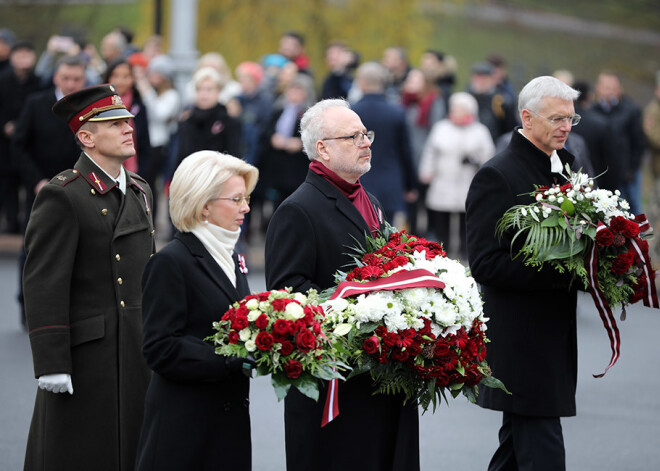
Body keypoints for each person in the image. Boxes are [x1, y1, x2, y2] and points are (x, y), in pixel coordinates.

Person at [265, 98, 420, 471]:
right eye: (353, 136)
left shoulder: (371, 200)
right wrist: (363, 307)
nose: (366, 141)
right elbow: (287, 295)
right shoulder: (297, 210)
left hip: (384, 374)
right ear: (323, 149)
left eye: (365, 133)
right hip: (337, 389)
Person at [23, 83, 155, 470]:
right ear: (86, 137)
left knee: (131, 449)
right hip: (87, 355)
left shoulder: (141, 190)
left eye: (128, 120)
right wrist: (51, 361)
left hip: (134, 346)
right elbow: (44, 281)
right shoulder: (63, 194)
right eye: (115, 123)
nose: (128, 127)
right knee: (81, 451)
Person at [466, 76, 581, 471]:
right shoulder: (496, 174)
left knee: (518, 446)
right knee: (542, 445)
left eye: (570, 118)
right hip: (520, 336)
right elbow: (483, 262)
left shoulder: (566, 164)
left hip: (554, 329)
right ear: (527, 118)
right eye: (556, 119)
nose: (565, 127)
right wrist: (562, 272)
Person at [136, 150, 257, 470]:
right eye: (236, 199)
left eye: (246, 198)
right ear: (204, 205)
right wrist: (231, 358)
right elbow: (160, 347)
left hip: (226, 424)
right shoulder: (171, 262)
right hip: (185, 427)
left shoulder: (230, 256)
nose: (246, 207)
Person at [419, 92, 494, 258]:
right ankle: (442, 253)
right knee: (441, 221)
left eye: (460, 109)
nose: (456, 112)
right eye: (454, 108)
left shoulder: (480, 131)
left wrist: (475, 160)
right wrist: (426, 172)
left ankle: (465, 253)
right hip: (443, 182)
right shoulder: (441, 127)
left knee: (465, 221)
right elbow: (430, 152)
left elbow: (488, 157)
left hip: (467, 183)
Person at [352, 61, 417, 225]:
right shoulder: (397, 112)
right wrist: (410, 185)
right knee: (387, 240)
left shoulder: (351, 111)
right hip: (390, 182)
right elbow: (406, 151)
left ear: (362, 82)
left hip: (359, 181)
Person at [0, 40, 42, 234]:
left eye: (28, 55)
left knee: (29, 180)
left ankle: (28, 224)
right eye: (20, 55)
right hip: (5, 142)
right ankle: (10, 222)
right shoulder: (3, 79)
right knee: (8, 183)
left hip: (30, 141)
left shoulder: (39, 82)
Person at [134, 53, 181, 224]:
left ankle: (150, 221)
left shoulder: (172, 95)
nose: (152, 76)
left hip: (158, 146)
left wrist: (146, 90)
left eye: (156, 73)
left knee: (151, 186)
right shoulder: (151, 92)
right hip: (144, 143)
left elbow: (159, 114)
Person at [592, 70, 646, 214]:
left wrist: (632, 169)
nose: (609, 92)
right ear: (598, 88)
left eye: (612, 88)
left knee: (632, 210)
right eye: (605, 87)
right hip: (603, 173)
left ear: (619, 88)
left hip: (626, 173)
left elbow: (639, 142)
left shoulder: (631, 110)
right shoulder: (592, 111)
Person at [173, 67, 241, 175]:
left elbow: (234, 158)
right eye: (199, 89)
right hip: (190, 180)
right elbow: (179, 156)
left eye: (209, 89)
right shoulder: (186, 120)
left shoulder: (229, 122)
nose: (203, 94)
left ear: (218, 91)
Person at [103, 58, 151, 175]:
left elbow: (144, 143)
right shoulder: (100, 107)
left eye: (126, 76)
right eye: (115, 76)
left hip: (134, 173)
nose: (120, 81)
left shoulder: (139, 106)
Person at [643, 71, 660, 263]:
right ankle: (648, 257)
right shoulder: (653, 110)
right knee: (652, 218)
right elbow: (654, 137)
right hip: (658, 174)